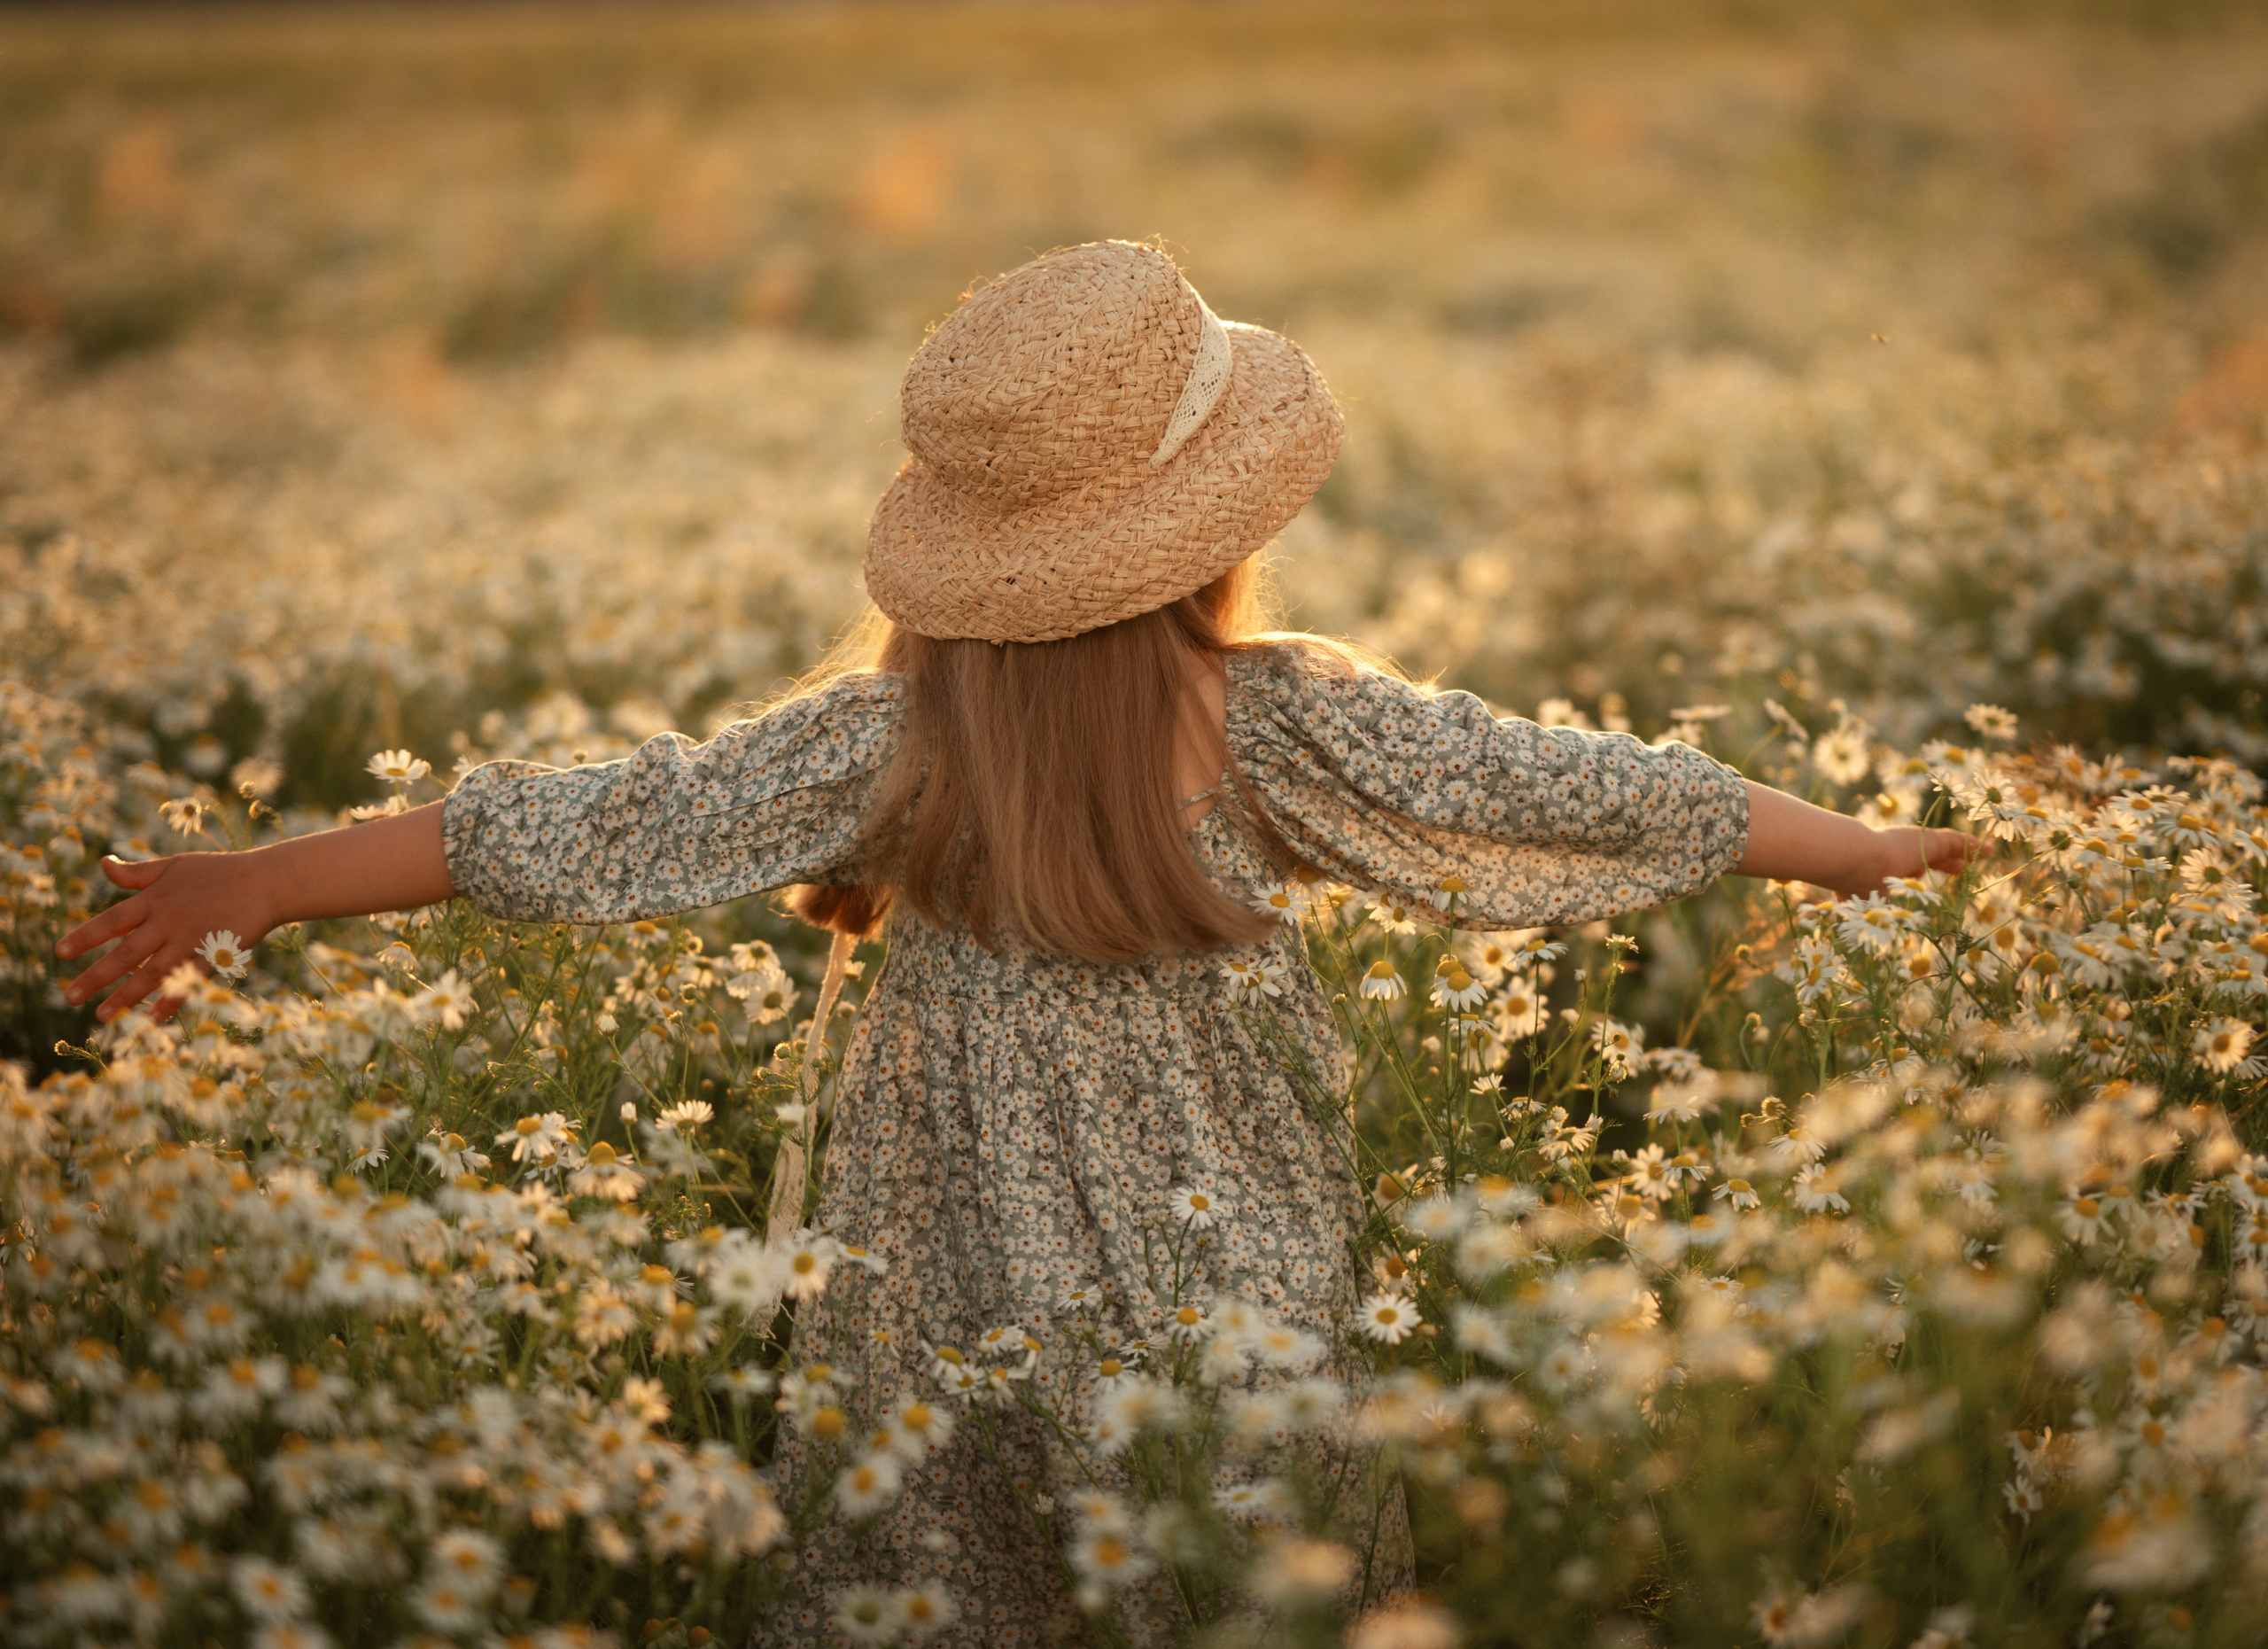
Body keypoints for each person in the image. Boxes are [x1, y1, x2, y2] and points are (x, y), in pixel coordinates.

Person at [56, 241, 1974, 1644]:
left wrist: (261, 879)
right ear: (1212, 535)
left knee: (954, 1549)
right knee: (1235, 1538)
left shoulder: (893, 742)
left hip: (945, 1241)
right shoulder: (1285, 719)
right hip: (1231, 1237)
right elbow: (1594, 790)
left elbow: (561, 827)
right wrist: (1858, 851)